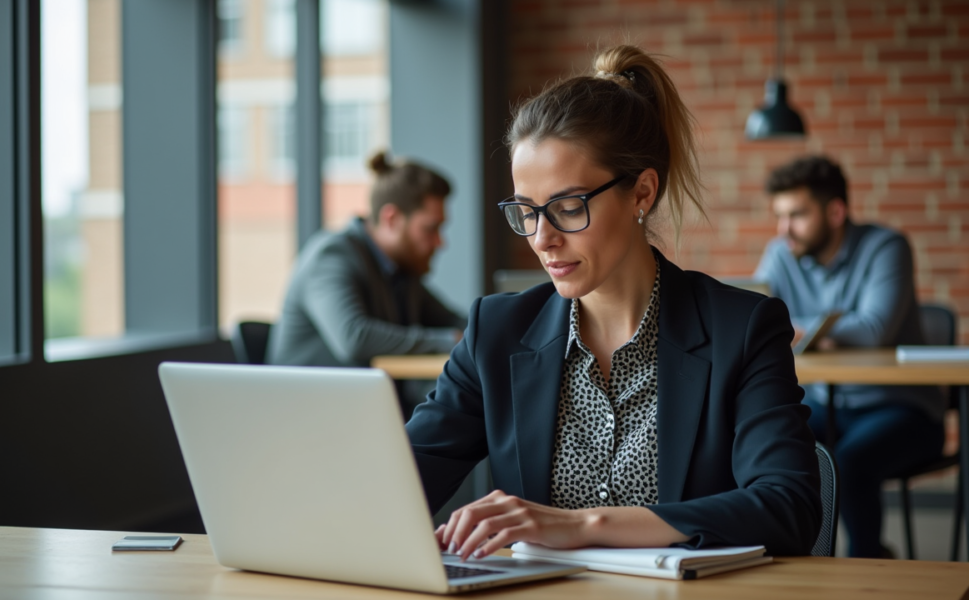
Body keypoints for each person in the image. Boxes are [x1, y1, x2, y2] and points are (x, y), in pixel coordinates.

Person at [405, 45, 821, 560]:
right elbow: (392, 486)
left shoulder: (743, 327)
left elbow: (788, 508)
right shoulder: (497, 331)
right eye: (527, 211)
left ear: (642, 193)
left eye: (567, 207)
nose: (542, 238)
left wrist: (583, 525)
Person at [754, 155, 944, 558]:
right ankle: (790, 562)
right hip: (825, 402)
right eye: (780, 216)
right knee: (768, 443)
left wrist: (799, 328)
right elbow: (756, 322)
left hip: (902, 407)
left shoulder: (886, 246)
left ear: (836, 211)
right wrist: (826, 331)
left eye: (797, 215)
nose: (783, 229)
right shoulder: (780, 252)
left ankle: (868, 562)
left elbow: (874, 329)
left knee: (848, 462)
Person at [267, 152, 467, 417]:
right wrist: (447, 340)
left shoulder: (400, 272)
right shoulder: (331, 257)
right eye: (430, 230)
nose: (440, 243)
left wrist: (493, 330)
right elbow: (353, 337)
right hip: (306, 419)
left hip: (358, 414)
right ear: (391, 219)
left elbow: (452, 320)